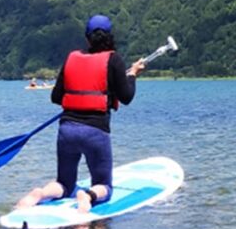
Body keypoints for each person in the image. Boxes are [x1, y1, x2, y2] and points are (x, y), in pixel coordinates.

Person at [16, 14, 146, 213]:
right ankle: (88, 195)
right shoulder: (114, 60)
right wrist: (133, 75)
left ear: (87, 38)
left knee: (65, 183)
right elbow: (126, 97)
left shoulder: (72, 58)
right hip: (95, 132)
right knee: (104, 186)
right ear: (110, 37)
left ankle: (41, 193)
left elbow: (56, 97)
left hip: (67, 131)